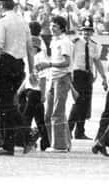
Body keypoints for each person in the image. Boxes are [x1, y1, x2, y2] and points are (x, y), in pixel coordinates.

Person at [0, 0, 36, 156]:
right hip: (19, 64)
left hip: (5, 63)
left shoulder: (1, 22)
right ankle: (9, 144)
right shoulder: (22, 21)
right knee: (9, 105)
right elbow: (29, 47)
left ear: (0, 5)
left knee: (6, 106)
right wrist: (32, 69)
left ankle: (27, 134)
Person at [68, 18, 108, 140]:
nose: (86, 33)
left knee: (85, 104)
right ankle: (68, 129)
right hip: (77, 74)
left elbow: (97, 62)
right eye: (84, 31)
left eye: (89, 31)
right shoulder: (74, 43)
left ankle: (80, 131)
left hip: (87, 75)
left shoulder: (94, 45)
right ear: (81, 31)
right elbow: (70, 60)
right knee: (78, 102)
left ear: (92, 32)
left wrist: (103, 77)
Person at [42, 16, 73, 152]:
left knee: (57, 113)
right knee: (49, 114)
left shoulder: (65, 42)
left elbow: (66, 62)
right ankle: (61, 142)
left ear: (61, 27)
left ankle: (59, 145)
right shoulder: (54, 42)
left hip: (61, 78)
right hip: (53, 78)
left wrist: (49, 64)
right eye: (51, 25)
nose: (51, 28)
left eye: (54, 26)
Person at [21, 21, 50, 151]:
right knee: (39, 119)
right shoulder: (30, 59)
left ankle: (27, 141)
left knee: (27, 117)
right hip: (30, 90)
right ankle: (45, 143)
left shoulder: (38, 58)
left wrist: (43, 94)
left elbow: (43, 78)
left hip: (35, 91)